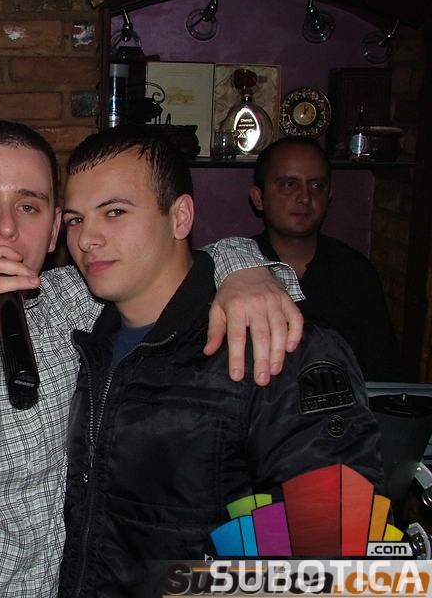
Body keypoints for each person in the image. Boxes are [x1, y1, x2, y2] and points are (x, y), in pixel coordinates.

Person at [0, 120, 304, 597]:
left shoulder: (76, 301)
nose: (5, 229)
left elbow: (167, 257)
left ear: (53, 230)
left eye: (28, 206)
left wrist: (244, 269)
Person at [57, 126, 383, 597]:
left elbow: (334, 543)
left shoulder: (275, 343)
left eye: (115, 212)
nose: (87, 238)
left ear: (180, 217)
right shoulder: (88, 339)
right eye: (75, 219)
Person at [249, 136, 401, 381]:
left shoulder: (354, 272)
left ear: (329, 196)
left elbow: (383, 371)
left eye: (317, 186)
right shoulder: (240, 266)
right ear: (259, 198)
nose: (305, 197)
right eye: (289, 184)